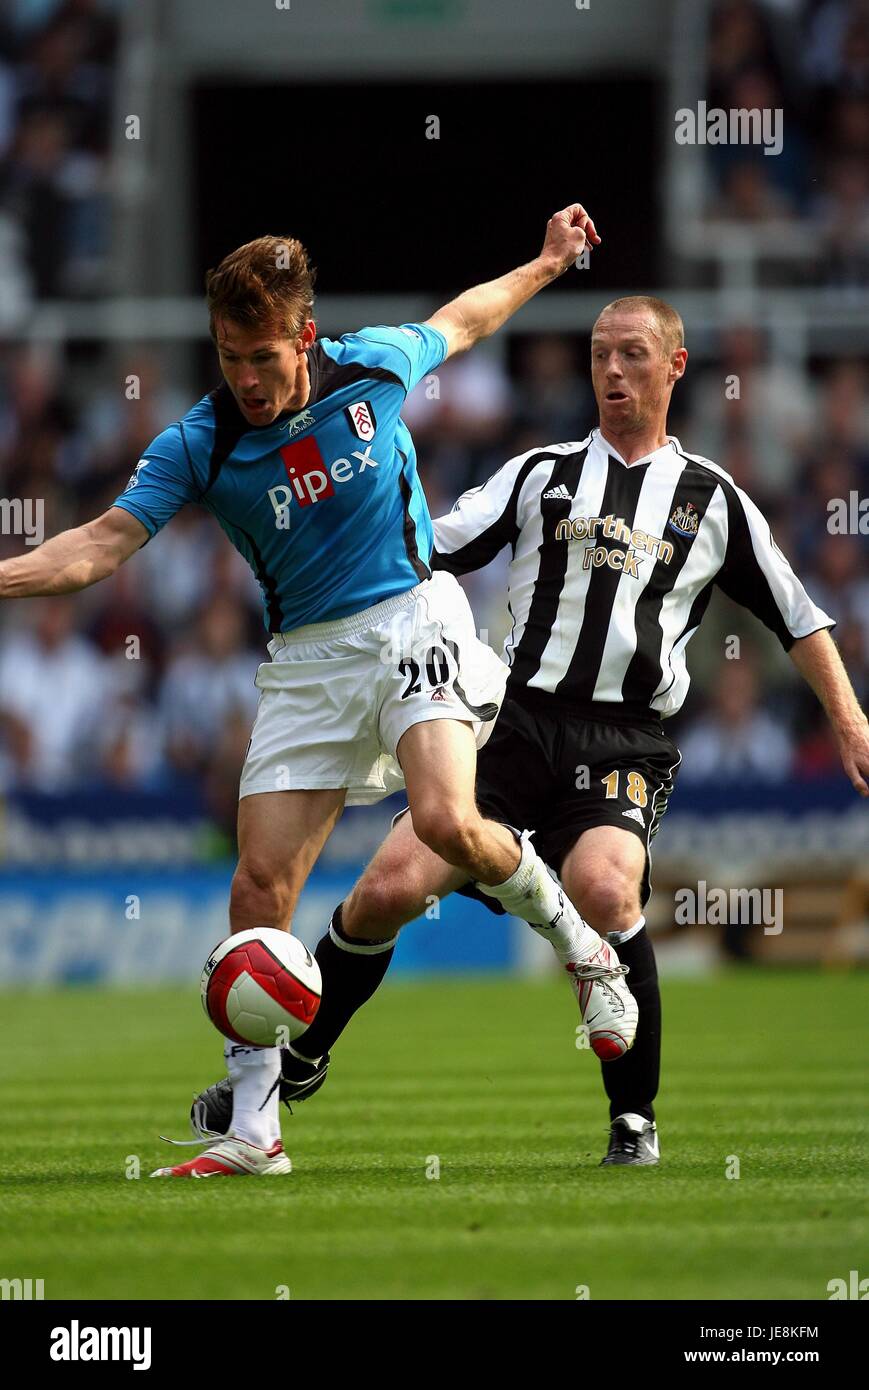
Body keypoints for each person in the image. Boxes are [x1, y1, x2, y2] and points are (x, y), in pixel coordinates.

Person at [0, 205, 639, 1180]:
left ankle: (585, 952)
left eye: (259, 355)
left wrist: (549, 263)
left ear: (302, 338)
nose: (244, 379)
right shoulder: (200, 442)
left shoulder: (372, 365)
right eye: (226, 356)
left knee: (442, 822)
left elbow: (464, 320)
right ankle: (253, 1132)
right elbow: (97, 545)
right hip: (306, 660)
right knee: (259, 885)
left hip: (413, 621)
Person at [195, 294, 869, 1167]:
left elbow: (798, 617)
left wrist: (851, 726)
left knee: (605, 888)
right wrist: (329, 546)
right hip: (510, 724)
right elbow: (424, 546)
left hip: (624, 742)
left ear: (674, 366)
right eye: (598, 355)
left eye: (631, 354)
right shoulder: (539, 473)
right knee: (386, 888)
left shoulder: (713, 500)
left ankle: (633, 1119)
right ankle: (298, 1059)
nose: (612, 371)